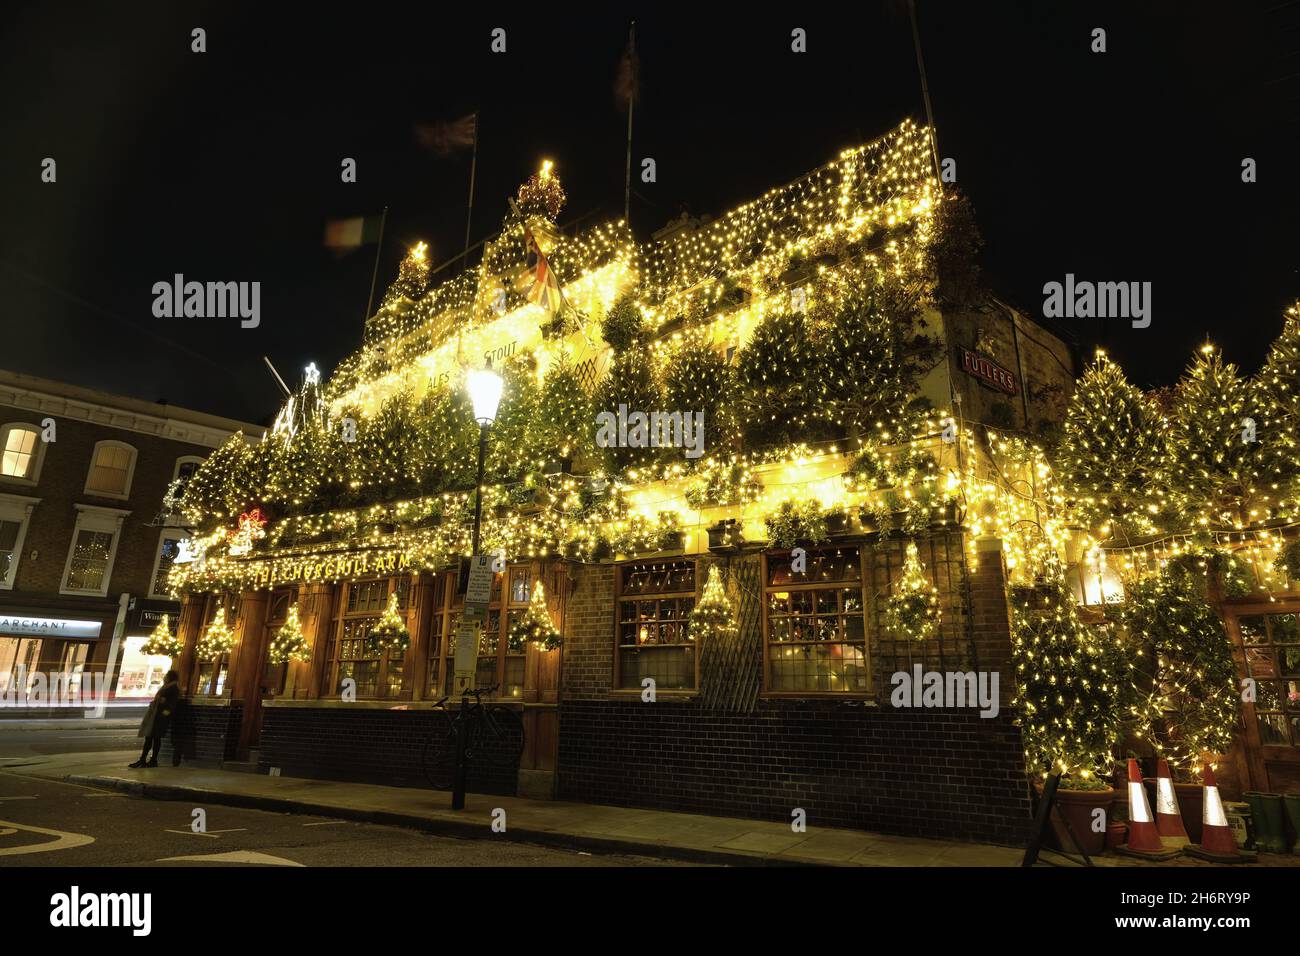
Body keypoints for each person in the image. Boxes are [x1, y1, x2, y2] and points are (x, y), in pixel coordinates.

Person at [130, 670, 180, 768]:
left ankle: (151, 760)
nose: (164, 677)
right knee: (150, 737)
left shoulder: (173, 687)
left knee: (154, 738)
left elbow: (172, 703)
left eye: (166, 676)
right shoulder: (167, 686)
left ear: (170, 677)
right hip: (156, 715)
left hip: (160, 717)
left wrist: (163, 705)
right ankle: (144, 759)